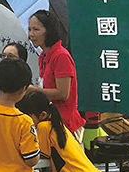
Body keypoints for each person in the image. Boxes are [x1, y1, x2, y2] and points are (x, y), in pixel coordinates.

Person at [16, 91, 107, 172]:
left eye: (27, 117)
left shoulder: (44, 127)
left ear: (43, 115)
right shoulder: (57, 125)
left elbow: (38, 154)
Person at [27, 10, 86, 143]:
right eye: (29, 29)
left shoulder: (61, 56)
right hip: (49, 121)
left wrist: (34, 90)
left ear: (49, 31)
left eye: (36, 29)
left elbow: (63, 93)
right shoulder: (43, 56)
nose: (31, 34)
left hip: (65, 125)